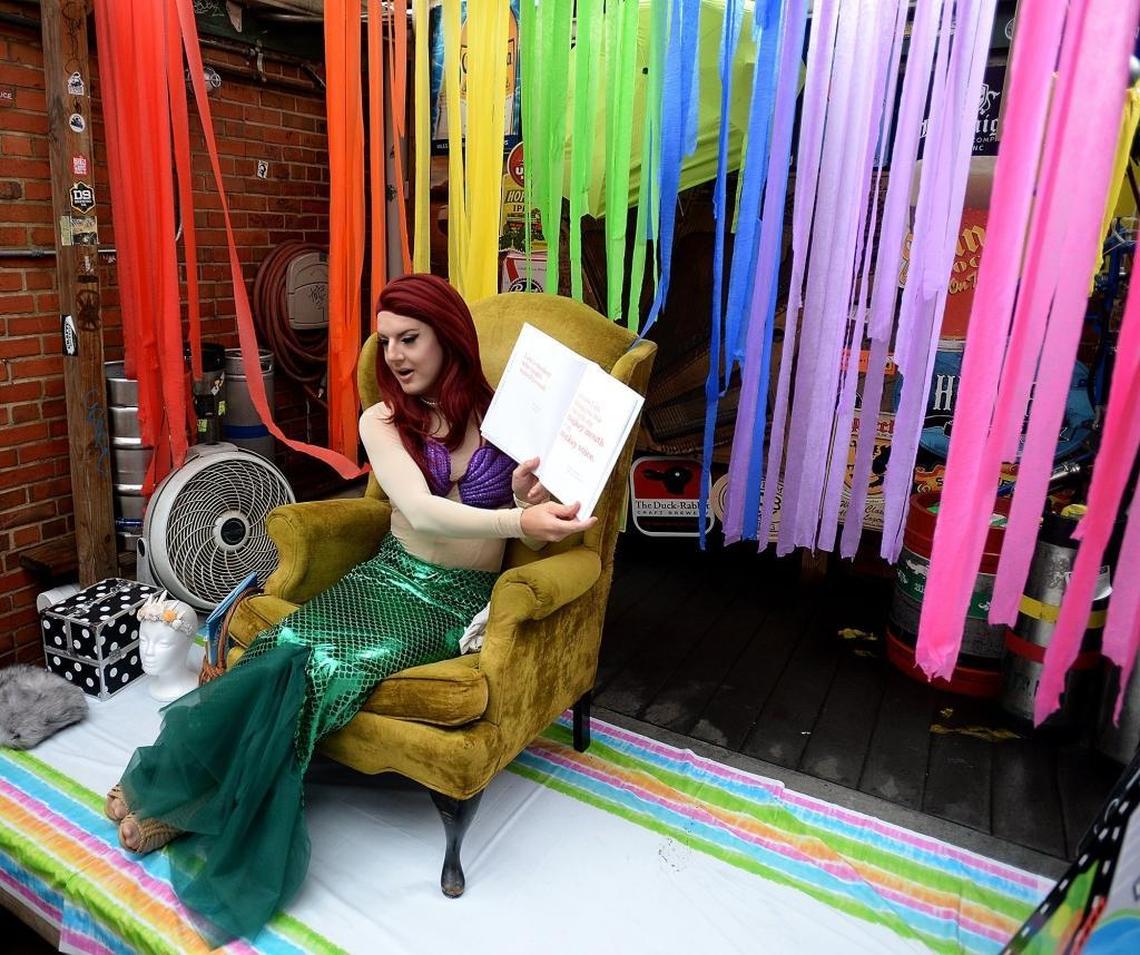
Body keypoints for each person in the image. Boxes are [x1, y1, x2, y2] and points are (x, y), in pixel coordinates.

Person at [103, 274, 594, 941]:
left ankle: (198, 804)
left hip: (450, 601)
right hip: (387, 575)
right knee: (283, 647)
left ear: (449, 336)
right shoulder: (382, 419)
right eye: (386, 339)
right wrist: (518, 522)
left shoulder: (507, 418)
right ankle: (190, 785)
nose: (393, 354)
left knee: (326, 666)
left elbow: (526, 503)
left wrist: (524, 492)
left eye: (409, 338)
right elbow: (419, 510)